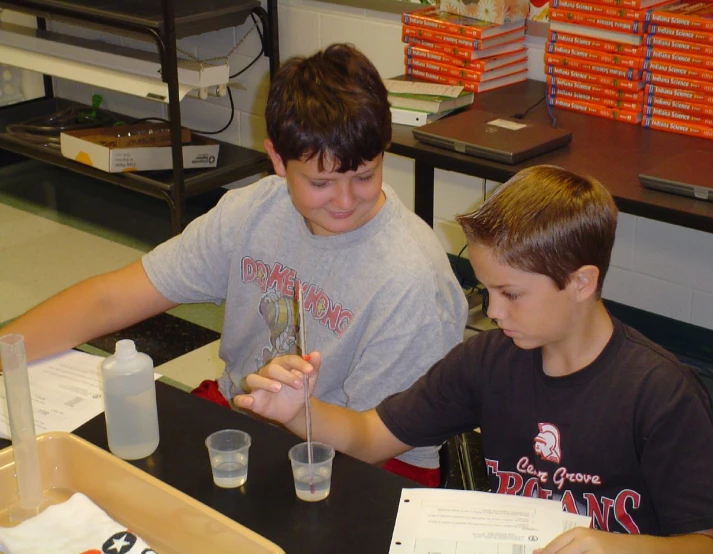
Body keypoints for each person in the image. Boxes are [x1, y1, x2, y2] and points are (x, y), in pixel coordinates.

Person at [0, 44, 468, 486]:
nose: (346, 200)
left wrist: (290, 413)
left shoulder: (412, 281)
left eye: (365, 175)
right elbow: (109, 300)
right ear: (277, 160)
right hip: (248, 419)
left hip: (363, 463)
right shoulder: (252, 212)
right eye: (321, 182)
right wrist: (6, 351)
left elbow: (371, 444)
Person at [236, 165, 713, 553]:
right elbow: (370, 438)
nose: (493, 312)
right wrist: (297, 410)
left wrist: (617, 547)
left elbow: (711, 546)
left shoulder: (659, 393)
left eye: (511, 294)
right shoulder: (488, 362)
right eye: (486, 290)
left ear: (582, 282)